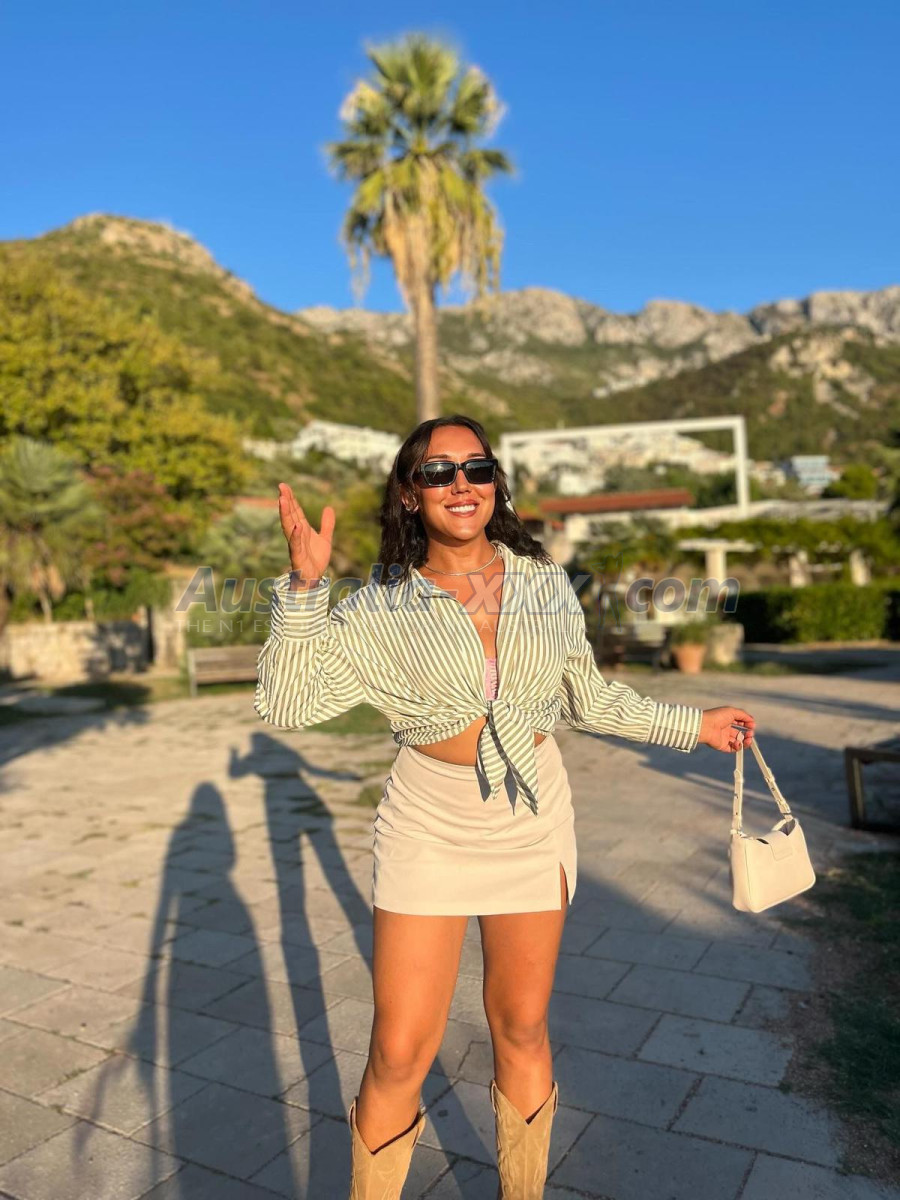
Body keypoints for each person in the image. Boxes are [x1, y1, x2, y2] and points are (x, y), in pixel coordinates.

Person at [254, 414, 755, 1200]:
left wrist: (693, 726)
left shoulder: (544, 585)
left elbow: (588, 698)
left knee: (521, 1026)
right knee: (398, 1049)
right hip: (428, 823)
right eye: (438, 471)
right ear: (410, 494)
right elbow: (289, 703)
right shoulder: (379, 606)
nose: (461, 484)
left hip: (531, 816)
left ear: (495, 484)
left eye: (477, 468)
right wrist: (305, 589)